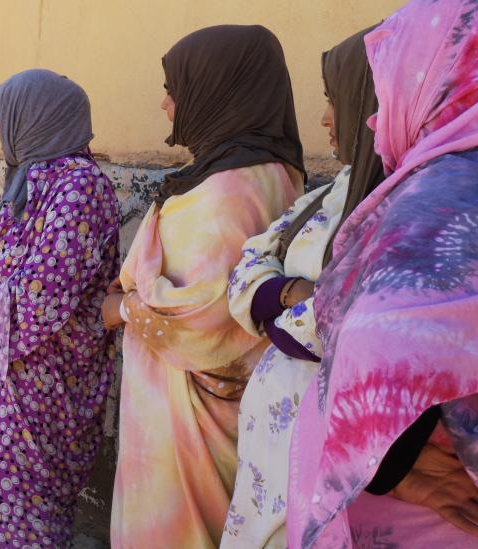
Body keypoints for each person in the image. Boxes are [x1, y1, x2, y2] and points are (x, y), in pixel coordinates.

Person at [105, 25, 305, 549]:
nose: (167, 104)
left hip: (193, 425)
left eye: (177, 87)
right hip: (200, 413)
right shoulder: (263, 173)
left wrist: (125, 307)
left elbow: (209, 317)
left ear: (221, 89)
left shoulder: (231, 191)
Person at [286, 1, 478, 546]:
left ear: (437, 77)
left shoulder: (444, 189)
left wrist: (392, 464)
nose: (373, 117)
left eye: (388, 86)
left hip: (435, 516)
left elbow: (382, 340)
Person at [219, 25, 387, 549]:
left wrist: (274, 301)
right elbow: (250, 260)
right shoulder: (338, 187)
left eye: (335, 100)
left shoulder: (396, 205)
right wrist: (294, 294)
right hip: (270, 448)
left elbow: (331, 325)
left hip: (329, 454)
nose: (323, 119)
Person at [0, 69, 120, 548]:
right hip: (7, 383)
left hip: (43, 389)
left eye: (4, 120)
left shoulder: (80, 187)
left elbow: (41, 293)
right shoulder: (29, 180)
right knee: (7, 509)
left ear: (38, 121)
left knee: (30, 515)